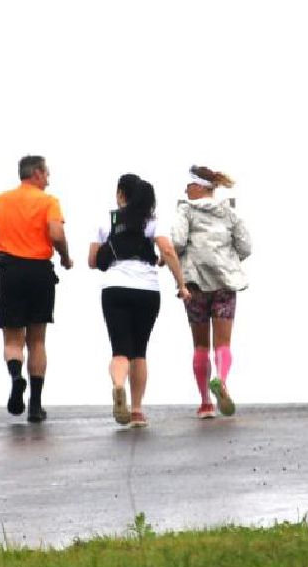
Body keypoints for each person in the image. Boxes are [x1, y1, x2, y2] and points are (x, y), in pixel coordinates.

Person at [90, 173, 190, 429]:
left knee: (120, 350)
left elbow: (92, 261)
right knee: (140, 351)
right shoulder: (151, 220)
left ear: (122, 194)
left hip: (114, 288)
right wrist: (181, 284)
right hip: (147, 290)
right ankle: (136, 411)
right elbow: (167, 251)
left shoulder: (106, 219)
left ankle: (118, 385)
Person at [0, 154, 73, 423]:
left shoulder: (0, 201)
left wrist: (2, 246)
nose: (49, 179)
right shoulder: (49, 202)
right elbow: (56, 234)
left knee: (12, 339)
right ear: (38, 174)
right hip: (39, 272)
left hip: (10, 271)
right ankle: (36, 404)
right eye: (47, 174)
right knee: (37, 340)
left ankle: (15, 376)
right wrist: (65, 257)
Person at [170, 165, 252, 419]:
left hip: (194, 284)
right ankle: (221, 380)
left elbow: (177, 241)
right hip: (225, 283)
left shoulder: (185, 210)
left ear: (197, 187)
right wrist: (226, 259)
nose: (185, 190)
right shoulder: (229, 212)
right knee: (223, 343)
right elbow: (246, 246)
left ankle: (206, 403)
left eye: (188, 185)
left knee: (200, 345)